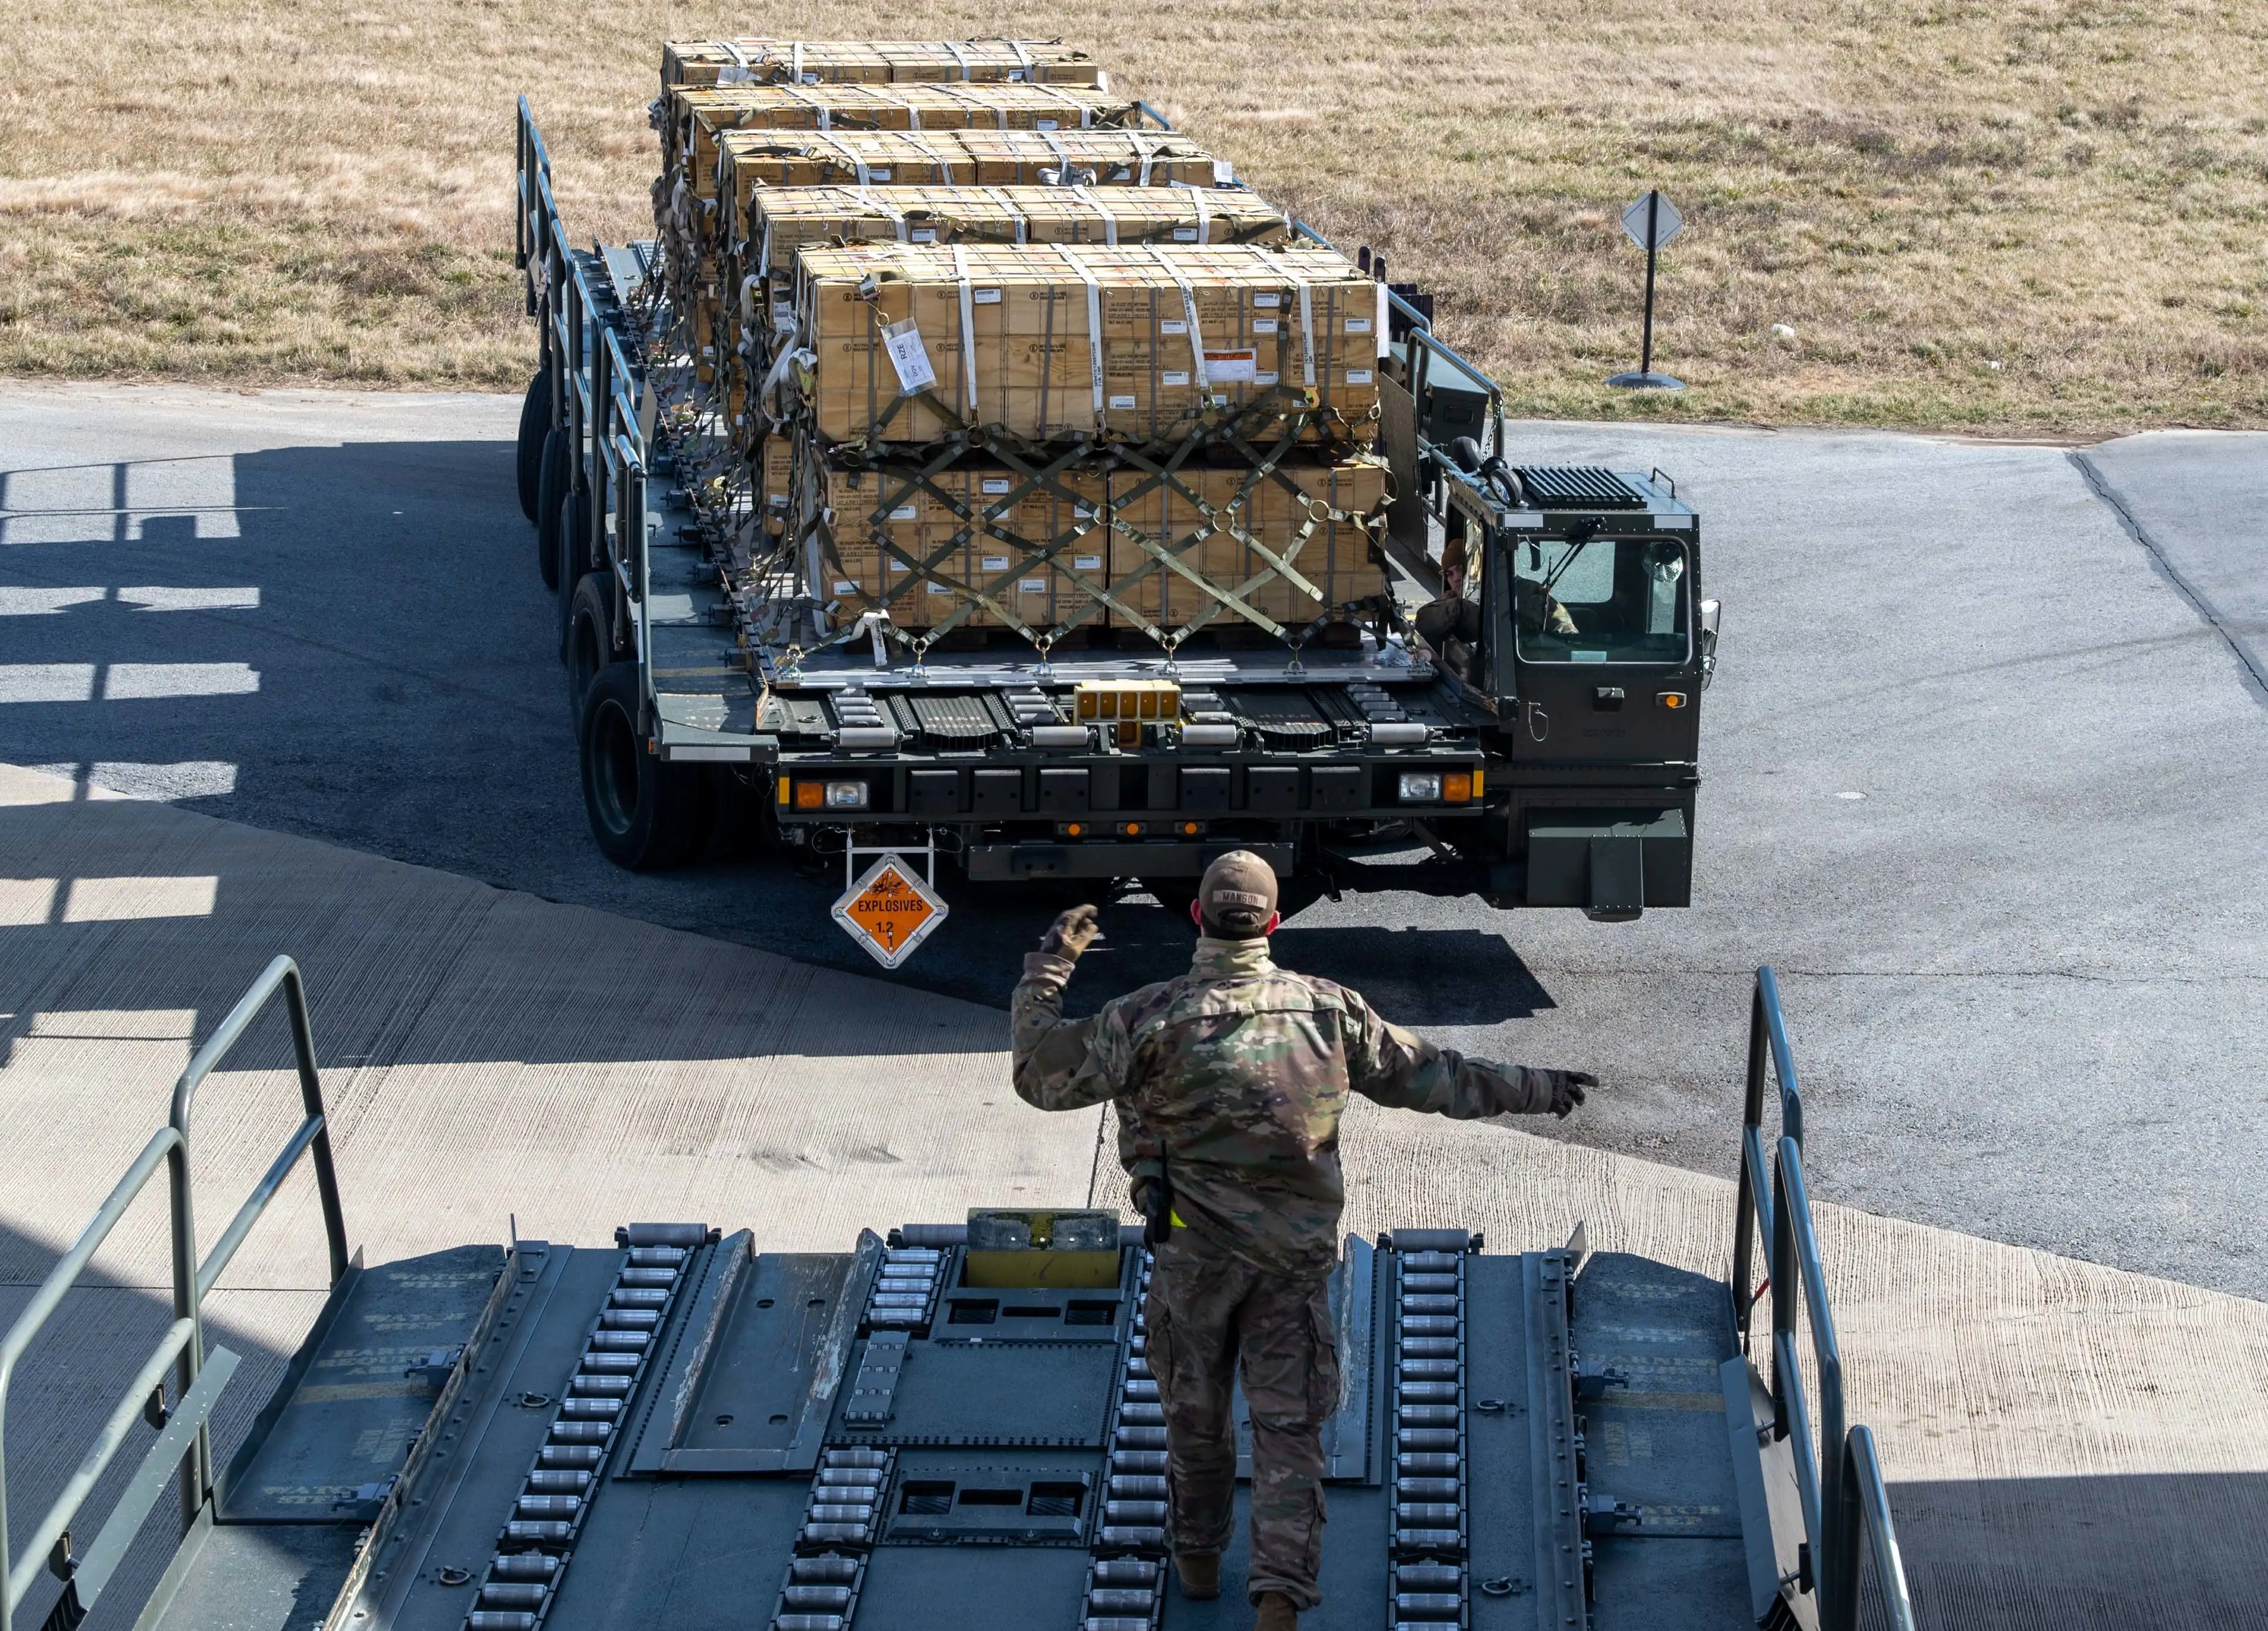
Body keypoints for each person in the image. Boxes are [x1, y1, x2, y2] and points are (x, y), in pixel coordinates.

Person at [1010, 853, 1597, 1629]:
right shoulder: (1329, 1013)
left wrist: (1048, 969)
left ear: (1196, 918)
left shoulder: (1141, 1018)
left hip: (1190, 1261)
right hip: (1290, 1267)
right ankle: (1279, 1598)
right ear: (1274, 923)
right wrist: (1537, 1087)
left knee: (1194, 1418)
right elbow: (1435, 1077)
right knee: (1288, 1431)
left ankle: (1194, 1562)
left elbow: (1036, 1074)